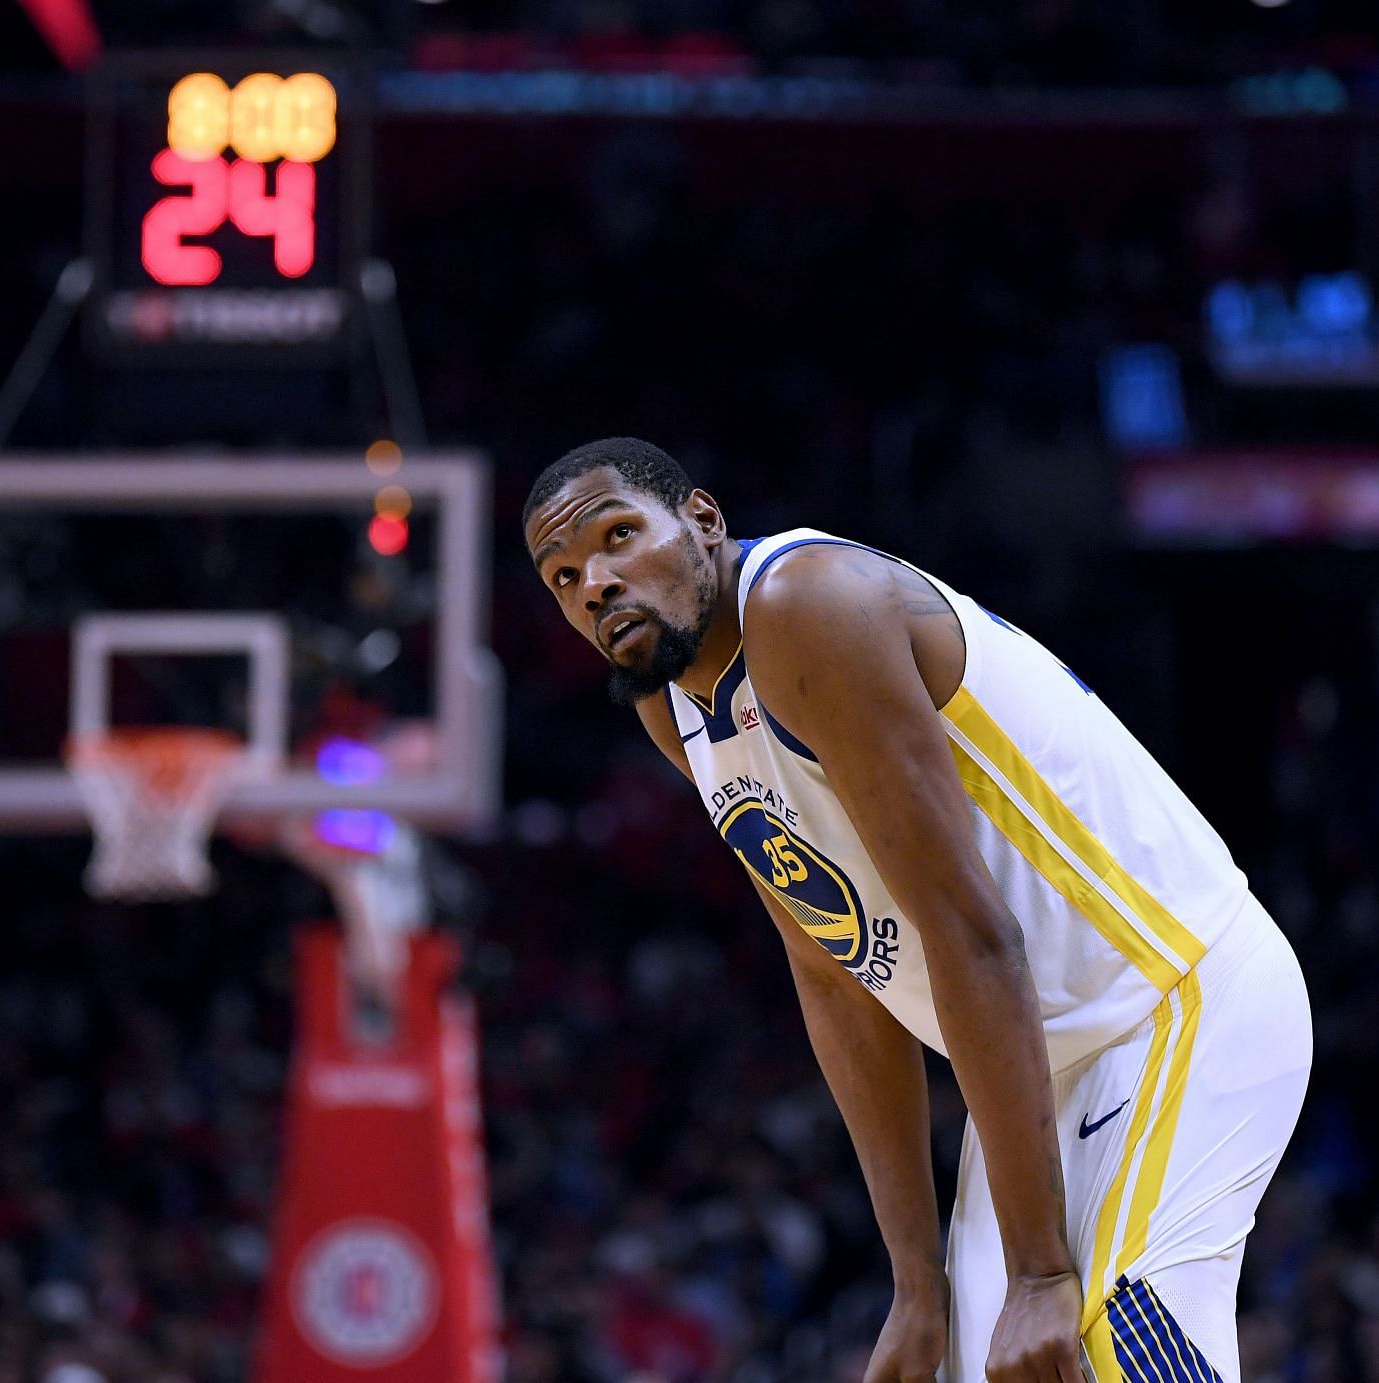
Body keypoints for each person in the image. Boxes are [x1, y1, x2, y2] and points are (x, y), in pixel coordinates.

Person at [522, 438, 1311, 1383]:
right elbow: (832, 968)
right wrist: (916, 1284)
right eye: (564, 577)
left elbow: (973, 934)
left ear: (701, 519)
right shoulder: (675, 706)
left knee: (1105, 1339)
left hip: (1174, 998)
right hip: (1044, 1060)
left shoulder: (804, 604)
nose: (596, 584)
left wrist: (1040, 1269)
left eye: (618, 537)